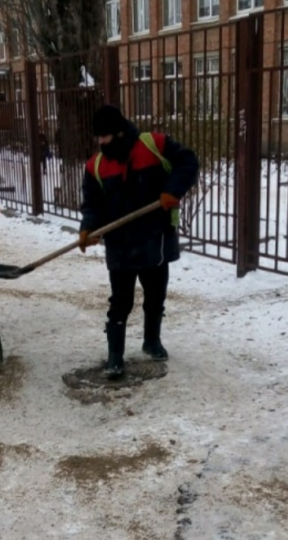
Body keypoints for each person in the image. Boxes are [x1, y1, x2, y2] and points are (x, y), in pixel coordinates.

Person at [79, 104, 199, 378]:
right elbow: (92, 205)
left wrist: (172, 190)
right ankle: (115, 357)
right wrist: (89, 228)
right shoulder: (96, 166)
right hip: (119, 245)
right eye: (98, 137)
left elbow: (188, 162)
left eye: (105, 136)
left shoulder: (154, 145)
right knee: (120, 301)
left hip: (154, 238)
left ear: (120, 132)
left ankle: (152, 341)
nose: (101, 142)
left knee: (156, 295)